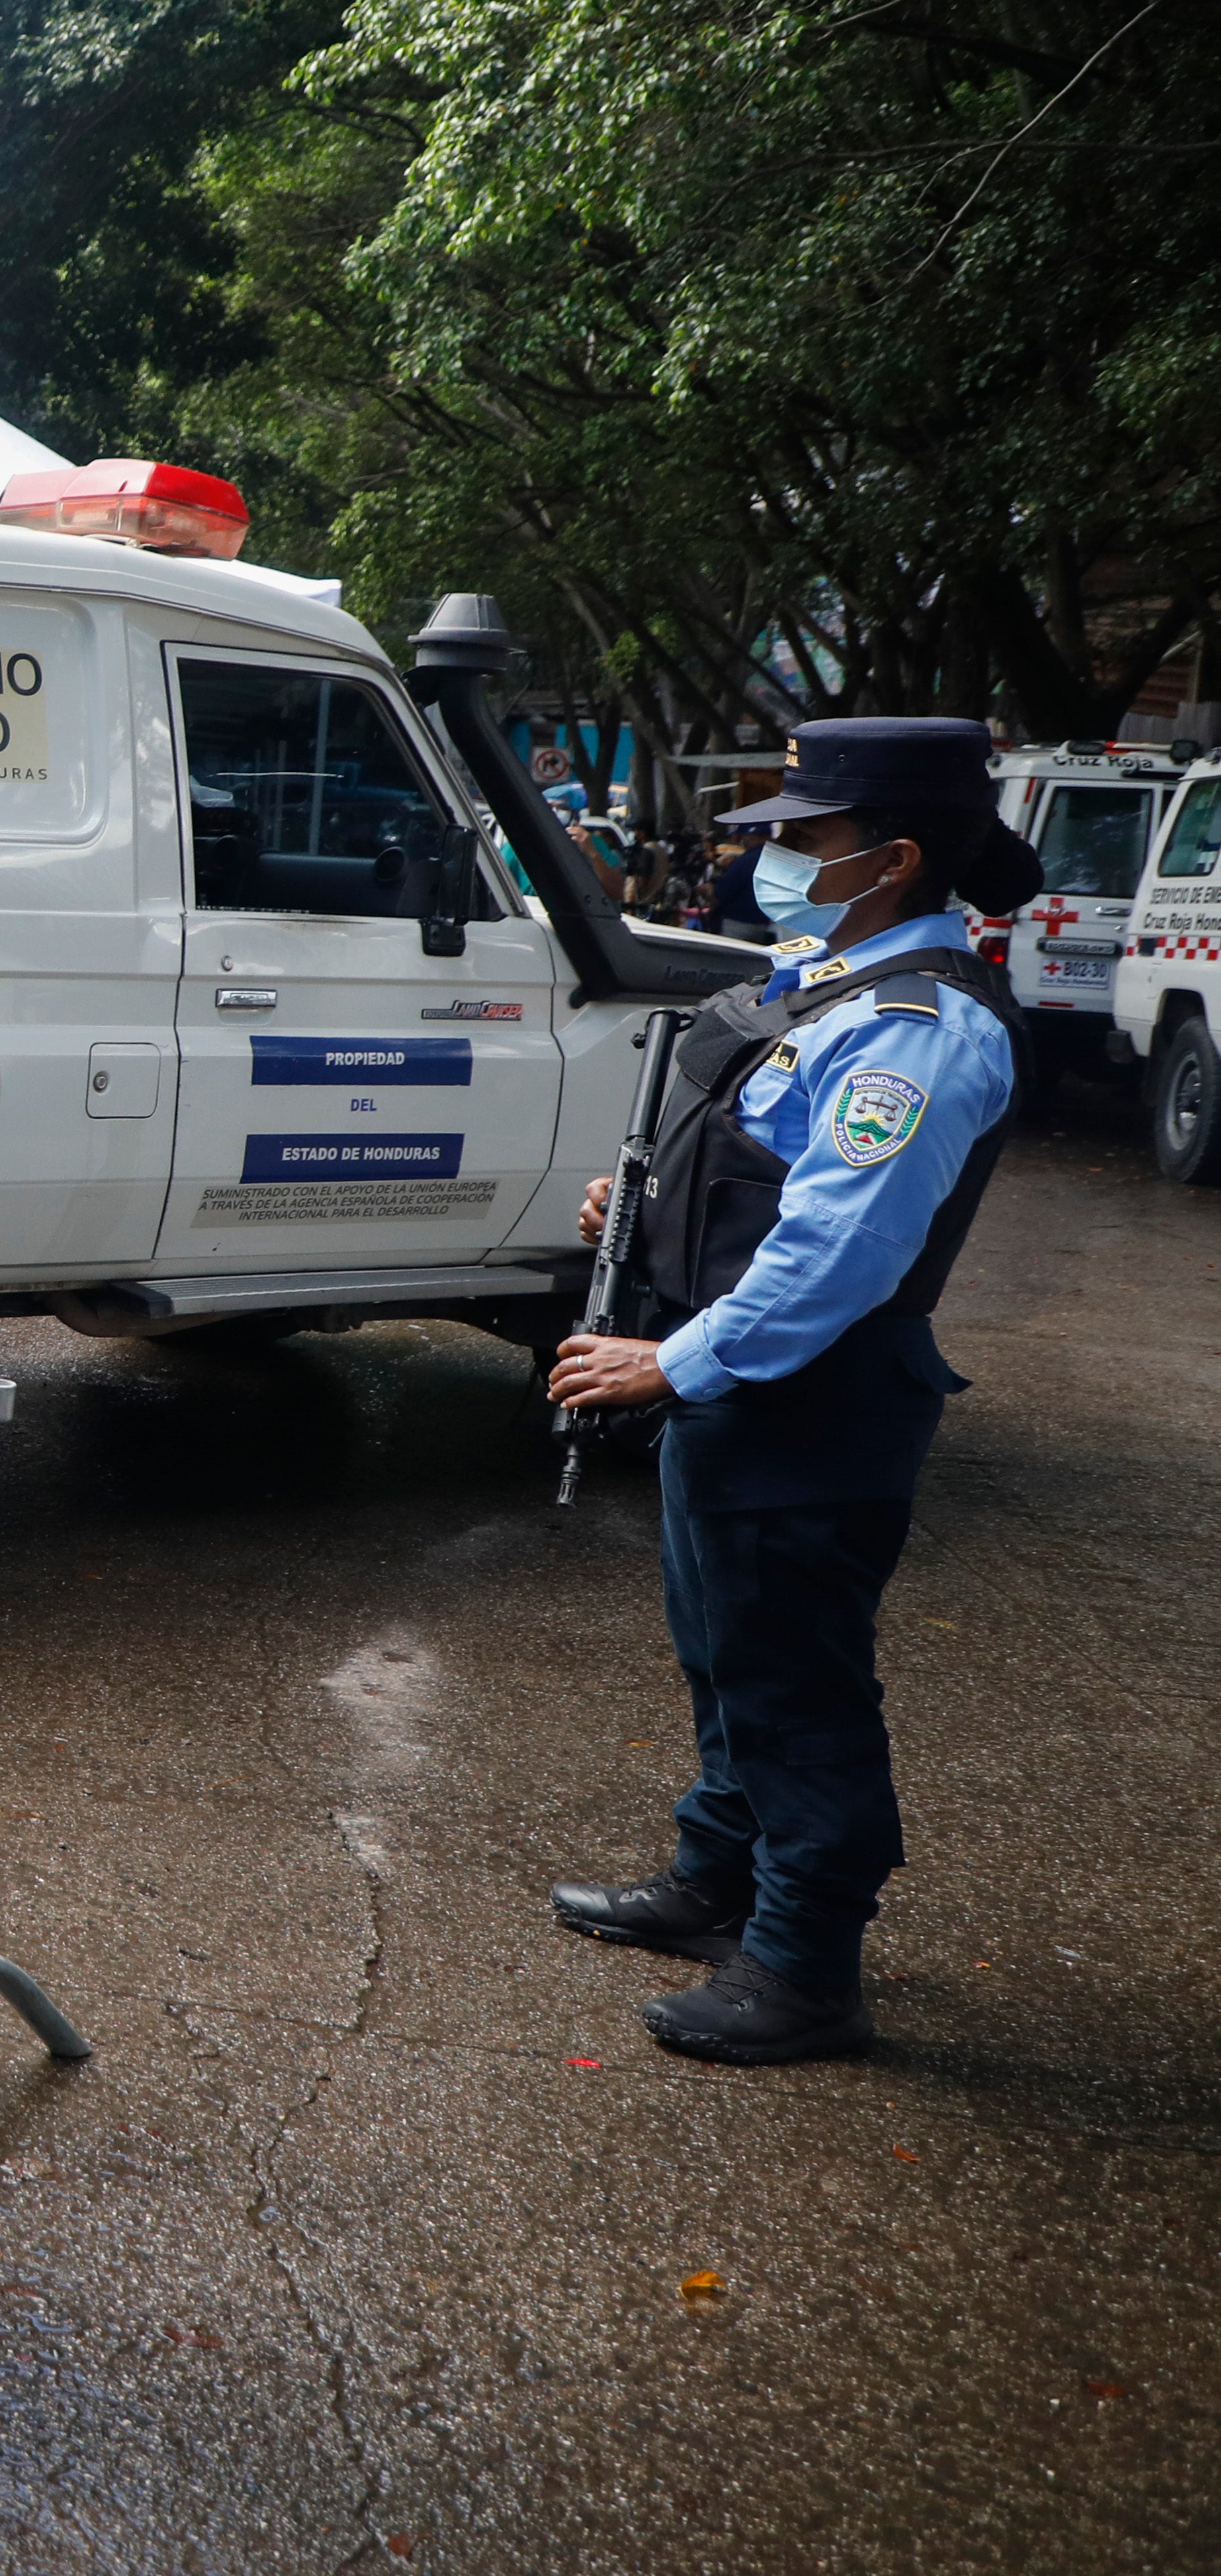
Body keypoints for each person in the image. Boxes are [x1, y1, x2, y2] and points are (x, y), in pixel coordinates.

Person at [545, 717, 1040, 2066]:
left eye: (803, 836)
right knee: (724, 1657)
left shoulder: (913, 1027)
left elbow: (840, 1250)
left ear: (894, 856)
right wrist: (636, 1219)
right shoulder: (823, 982)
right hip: (749, 1393)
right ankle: (718, 1882)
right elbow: (759, 1173)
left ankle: (808, 1963)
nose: (770, 852)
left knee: (799, 1688)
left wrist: (670, 1357)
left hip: (812, 1405)